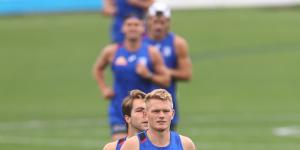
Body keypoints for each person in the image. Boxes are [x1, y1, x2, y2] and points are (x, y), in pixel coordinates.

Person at [93, 15, 170, 141]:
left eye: (136, 25)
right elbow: (98, 69)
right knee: (121, 145)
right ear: (123, 29)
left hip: (145, 111)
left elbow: (166, 80)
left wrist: (148, 75)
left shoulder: (151, 52)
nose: (132, 28)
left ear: (143, 28)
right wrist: (104, 88)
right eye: (129, 25)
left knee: (146, 145)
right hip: (119, 109)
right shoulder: (112, 51)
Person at [144, 2, 192, 130]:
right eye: (155, 21)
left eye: (162, 22)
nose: (158, 26)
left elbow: (187, 74)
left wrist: (164, 72)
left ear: (168, 22)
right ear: (148, 21)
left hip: (165, 102)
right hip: (141, 103)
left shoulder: (177, 43)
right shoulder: (139, 42)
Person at [120, 89, 196, 150]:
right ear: (146, 114)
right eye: (156, 111)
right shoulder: (132, 145)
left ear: (172, 114)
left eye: (166, 111)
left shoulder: (185, 144)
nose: (161, 115)